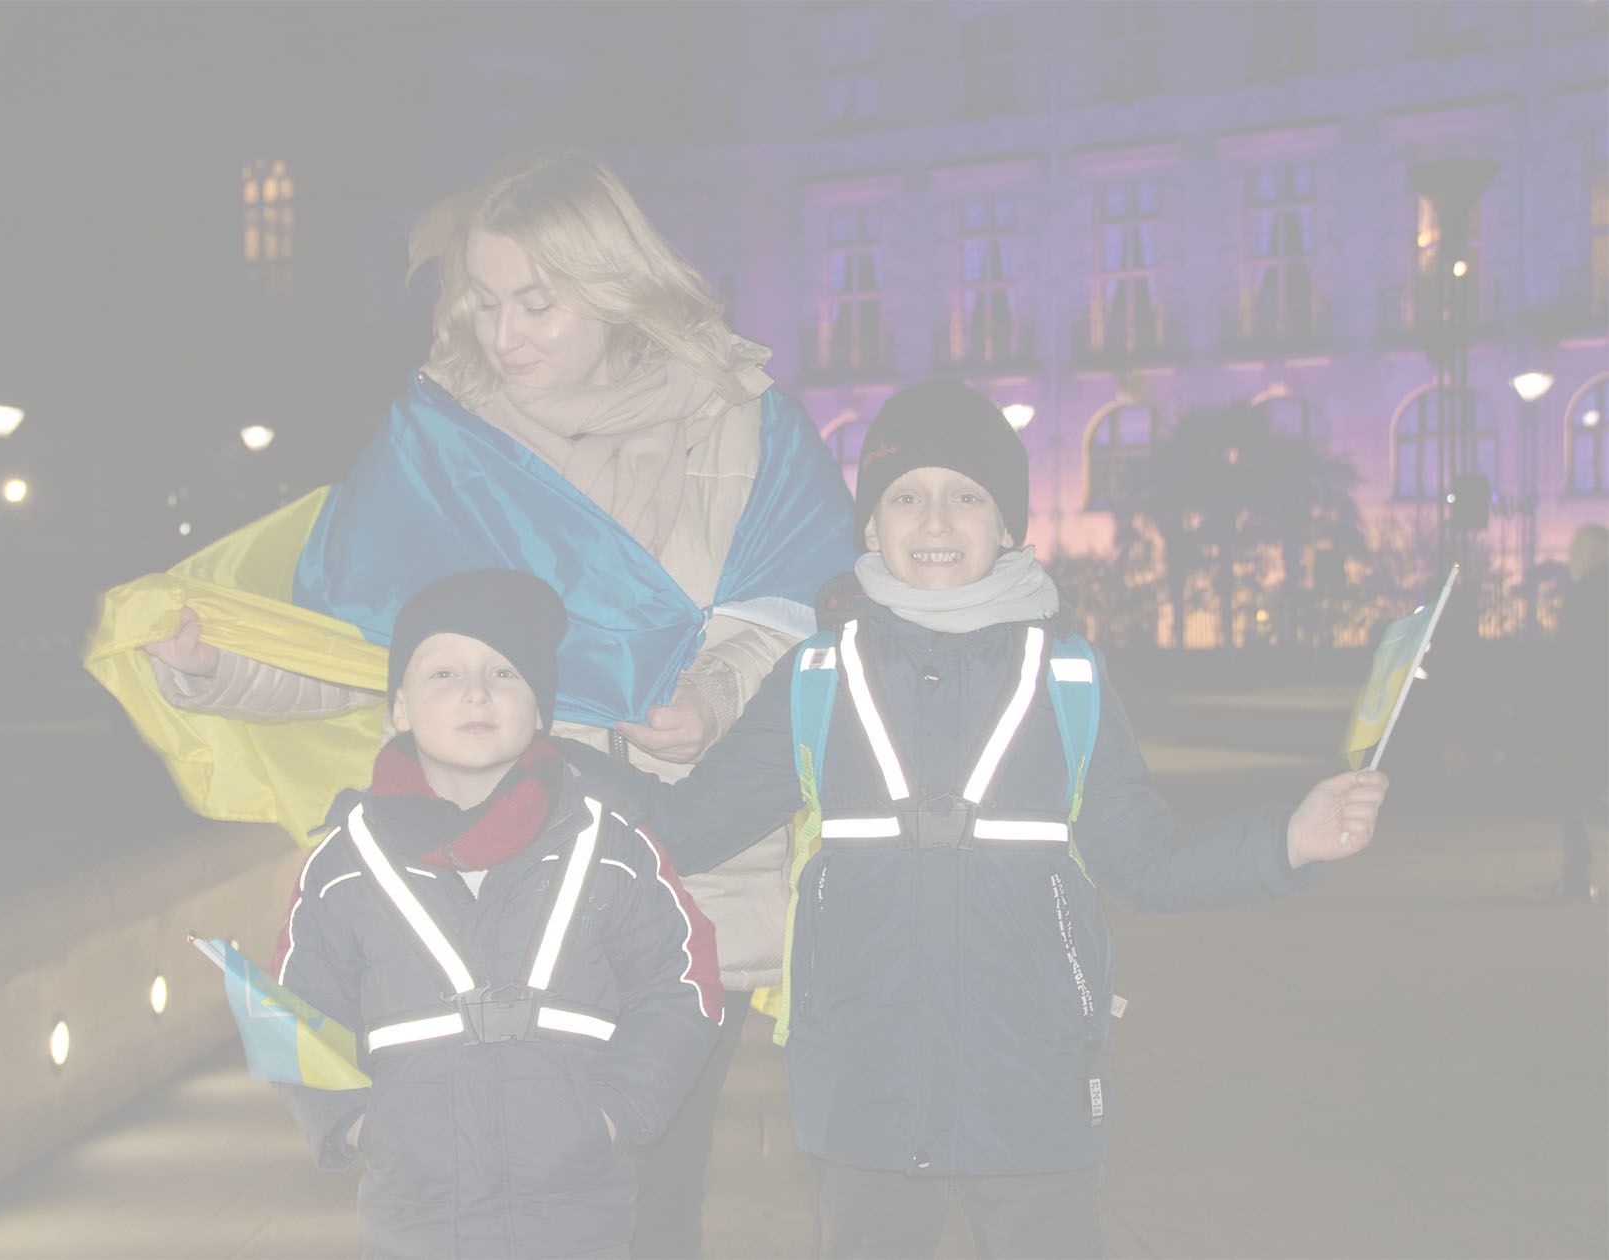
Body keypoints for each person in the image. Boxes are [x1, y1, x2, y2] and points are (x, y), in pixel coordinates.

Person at [88, 149, 853, 1258]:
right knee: (492, 1191)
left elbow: (801, 611)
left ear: (614, 284)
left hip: (678, 865)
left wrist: (711, 692)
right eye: (485, 303)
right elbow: (364, 642)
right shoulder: (445, 438)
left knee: (654, 1194)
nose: (505, 335)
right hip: (484, 881)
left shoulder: (739, 418)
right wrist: (215, 669)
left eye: (537, 303)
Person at [574, 379, 1391, 1259]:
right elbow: (688, 828)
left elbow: (1144, 862)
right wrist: (551, 763)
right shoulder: (818, 675)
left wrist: (1287, 840)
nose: (935, 521)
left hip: (1032, 1085)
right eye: (906, 497)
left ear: (1006, 525)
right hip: (866, 1088)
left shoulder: (1068, 677)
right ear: (871, 527)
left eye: (966, 496)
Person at [271, 568, 724, 1260]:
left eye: (505, 672)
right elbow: (291, 1014)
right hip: (415, 1224)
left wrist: (613, 1112)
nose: (476, 692)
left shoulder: (612, 848)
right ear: (400, 707)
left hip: (577, 1221)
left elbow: (684, 983)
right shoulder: (342, 867)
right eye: (444, 673)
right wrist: (359, 1125)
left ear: (540, 710)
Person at [1550, 524, 1608, 902]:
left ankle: (1576, 872)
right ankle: (1576, 870)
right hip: (1594, 702)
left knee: (1570, 785)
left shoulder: (1587, 592)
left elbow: (1572, 655)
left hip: (1586, 705)